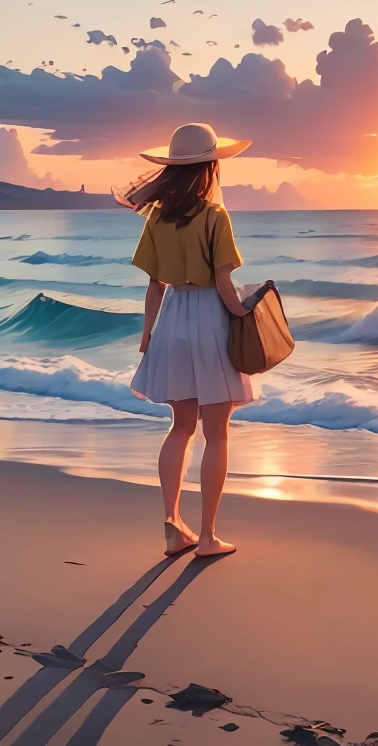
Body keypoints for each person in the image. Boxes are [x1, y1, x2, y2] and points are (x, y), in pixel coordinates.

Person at [124, 121, 254, 560]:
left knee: (180, 427)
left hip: (172, 321)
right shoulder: (215, 216)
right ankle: (208, 536)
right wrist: (247, 314)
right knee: (216, 432)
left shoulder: (157, 217)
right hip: (208, 321)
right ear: (210, 168)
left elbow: (154, 286)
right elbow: (223, 283)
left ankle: (171, 525)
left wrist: (147, 335)